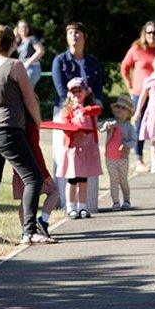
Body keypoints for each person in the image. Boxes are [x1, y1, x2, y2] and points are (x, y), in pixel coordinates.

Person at [0, 24, 55, 244]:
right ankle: (29, 231)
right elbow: (29, 100)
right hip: (7, 129)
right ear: (13, 43)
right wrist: (38, 122)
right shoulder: (15, 66)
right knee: (33, 178)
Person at [51, 22, 104, 209]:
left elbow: (98, 89)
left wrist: (95, 105)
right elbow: (60, 90)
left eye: (78, 32)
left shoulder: (93, 62)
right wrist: (74, 109)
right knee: (66, 157)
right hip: (66, 114)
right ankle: (66, 204)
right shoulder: (60, 61)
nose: (74, 36)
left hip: (89, 114)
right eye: (71, 32)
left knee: (88, 157)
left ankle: (87, 205)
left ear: (85, 36)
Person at [120, 21, 155, 171]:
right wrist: (130, 87)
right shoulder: (136, 49)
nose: (151, 35)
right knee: (140, 126)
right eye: (149, 32)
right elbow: (124, 68)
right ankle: (139, 159)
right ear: (144, 34)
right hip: (140, 93)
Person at [55, 77, 102, 218]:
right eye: (73, 92)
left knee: (83, 181)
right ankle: (71, 206)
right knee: (72, 180)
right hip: (73, 149)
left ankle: (82, 207)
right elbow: (65, 126)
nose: (77, 94)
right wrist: (73, 128)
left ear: (86, 92)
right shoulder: (67, 110)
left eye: (79, 91)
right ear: (69, 94)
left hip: (87, 148)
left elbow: (97, 110)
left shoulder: (91, 107)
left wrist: (84, 111)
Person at [12, 119, 59, 238]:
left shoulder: (13, 123)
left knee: (25, 200)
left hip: (18, 167)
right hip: (33, 169)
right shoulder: (30, 125)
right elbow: (35, 149)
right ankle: (43, 220)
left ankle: (25, 231)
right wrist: (45, 174)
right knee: (53, 191)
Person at [100, 95, 138, 210]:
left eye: (123, 108)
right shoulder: (111, 123)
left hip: (122, 158)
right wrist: (106, 127)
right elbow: (101, 129)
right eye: (118, 107)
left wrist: (126, 145)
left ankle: (126, 200)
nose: (120, 110)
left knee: (123, 180)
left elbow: (133, 141)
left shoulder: (129, 127)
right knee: (113, 180)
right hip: (110, 157)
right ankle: (115, 202)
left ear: (128, 113)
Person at [16, 20, 45, 87]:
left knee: (26, 91)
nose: (23, 29)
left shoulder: (32, 39)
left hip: (31, 68)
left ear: (29, 28)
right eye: (21, 28)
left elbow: (41, 51)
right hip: (22, 68)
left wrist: (28, 62)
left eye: (25, 27)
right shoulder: (19, 42)